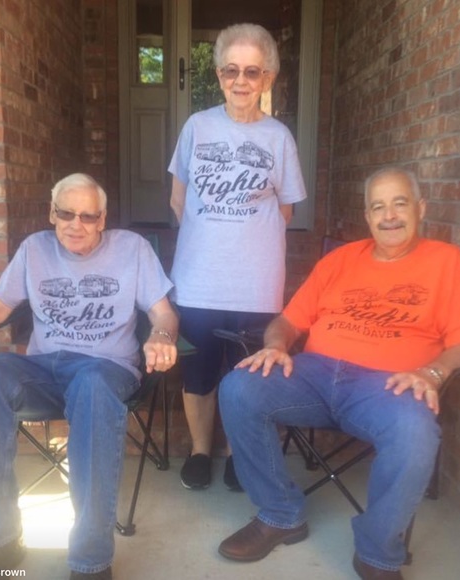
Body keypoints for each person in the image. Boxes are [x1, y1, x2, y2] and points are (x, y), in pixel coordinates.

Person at [217, 167, 460, 579]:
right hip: (315, 374)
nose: (389, 216)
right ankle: (279, 514)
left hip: (388, 385)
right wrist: (275, 346)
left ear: (421, 209)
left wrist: (434, 372)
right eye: (378, 207)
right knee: (238, 388)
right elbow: (288, 321)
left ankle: (377, 552)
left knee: (416, 431)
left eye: (399, 204)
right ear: (367, 216)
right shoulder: (340, 260)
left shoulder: (446, 262)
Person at [0, 173, 179, 580]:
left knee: (93, 385)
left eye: (88, 216)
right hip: (43, 370)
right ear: (52, 213)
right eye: (66, 213)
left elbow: (164, 314)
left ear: (102, 219)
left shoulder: (132, 249)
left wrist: (160, 336)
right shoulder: (34, 249)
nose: (76, 224)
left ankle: (90, 561)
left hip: (105, 370)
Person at [169, 23, 307, 491]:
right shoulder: (197, 127)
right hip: (198, 280)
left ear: (268, 77)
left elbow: (285, 210)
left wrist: (245, 241)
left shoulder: (279, 137)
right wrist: (212, 237)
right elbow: (177, 199)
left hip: (257, 283)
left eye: (252, 71)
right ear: (219, 74)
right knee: (199, 371)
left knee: (245, 375)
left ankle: (235, 454)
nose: (241, 80)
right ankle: (200, 451)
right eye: (231, 70)